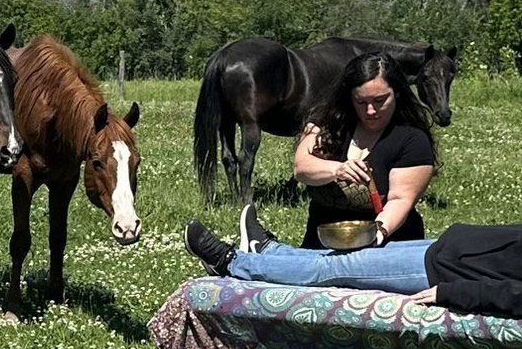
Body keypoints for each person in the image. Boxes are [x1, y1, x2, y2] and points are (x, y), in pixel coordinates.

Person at [185, 205, 522, 319]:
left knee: (335, 270)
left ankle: (230, 263)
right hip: (449, 249)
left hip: (447, 271)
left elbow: (515, 296)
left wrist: (453, 293)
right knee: (339, 258)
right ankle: (267, 251)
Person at [292, 51, 436, 249]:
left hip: (386, 245)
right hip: (322, 245)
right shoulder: (327, 125)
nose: (370, 111)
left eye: (380, 101)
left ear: (397, 94)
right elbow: (301, 168)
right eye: (361, 102)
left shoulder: (412, 140)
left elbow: (400, 199)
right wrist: (337, 169)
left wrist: (378, 232)